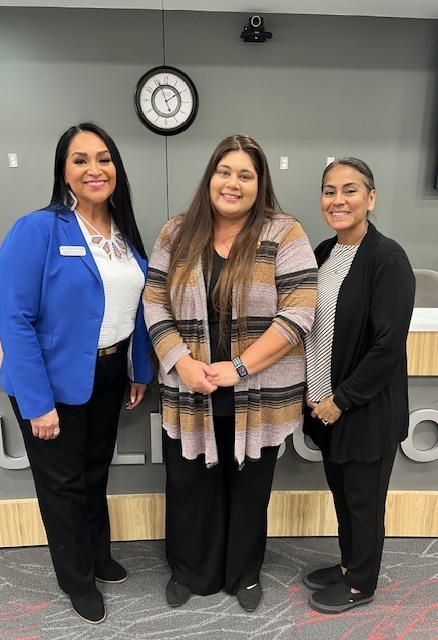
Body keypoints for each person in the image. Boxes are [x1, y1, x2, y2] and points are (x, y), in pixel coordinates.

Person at [144, 134, 317, 612]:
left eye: (246, 175)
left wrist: (237, 368)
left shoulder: (285, 233)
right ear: (210, 177)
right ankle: (190, 571)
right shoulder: (176, 233)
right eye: (225, 172)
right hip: (190, 386)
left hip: (258, 390)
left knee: (249, 488)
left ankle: (243, 574)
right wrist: (180, 361)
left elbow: (299, 314)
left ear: (260, 184)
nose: (233, 183)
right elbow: (154, 301)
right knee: (189, 484)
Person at [0, 122, 154, 624]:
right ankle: (76, 579)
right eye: (80, 159)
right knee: (62, 485)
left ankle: (96, 555)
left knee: (93, 474)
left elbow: (136, 309)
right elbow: (15, 319)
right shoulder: (39, 229)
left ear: (116, 169)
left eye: (103, 158)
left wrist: (137, 368)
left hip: (108, 374)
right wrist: (38, 403)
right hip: (50, 382)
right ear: (64, 171)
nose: (94, 169)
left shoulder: (124, 234)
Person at [302, 157, 415, 614]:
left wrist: (341, 400)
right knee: (344, 496)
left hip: (362, 410)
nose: (338, 200)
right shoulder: (323, 253)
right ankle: (350, 564)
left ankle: (360, 584)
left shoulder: (387, 258)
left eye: (350, 190)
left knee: (364, 502)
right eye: (330, 190)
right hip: (325, 406)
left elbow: (387, 346)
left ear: (371, 198)